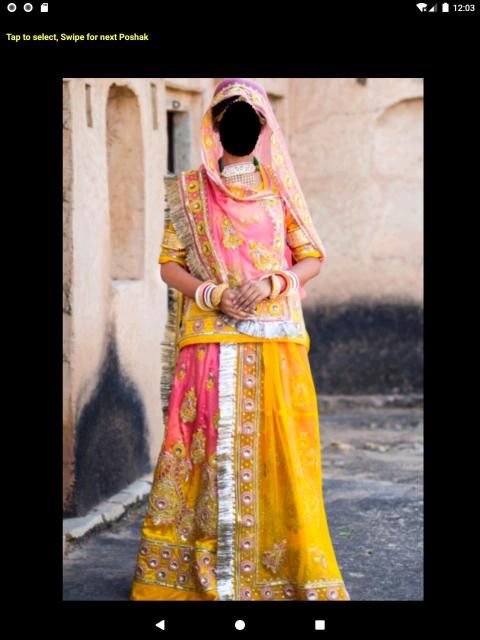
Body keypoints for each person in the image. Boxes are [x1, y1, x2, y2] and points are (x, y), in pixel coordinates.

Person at [129, 78, 351, 601]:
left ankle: (273, 572)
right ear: (216, 128)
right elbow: (169, 265)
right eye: (235, 120)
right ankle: (199, 573)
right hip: (210, 341)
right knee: (203, 448)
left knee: (278, 452)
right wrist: (214, 294)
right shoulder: (189, 192)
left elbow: (311, 257)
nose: (241, 129)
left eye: (247, 121)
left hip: (274, 342)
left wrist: (274, 283)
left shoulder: (278, 190)